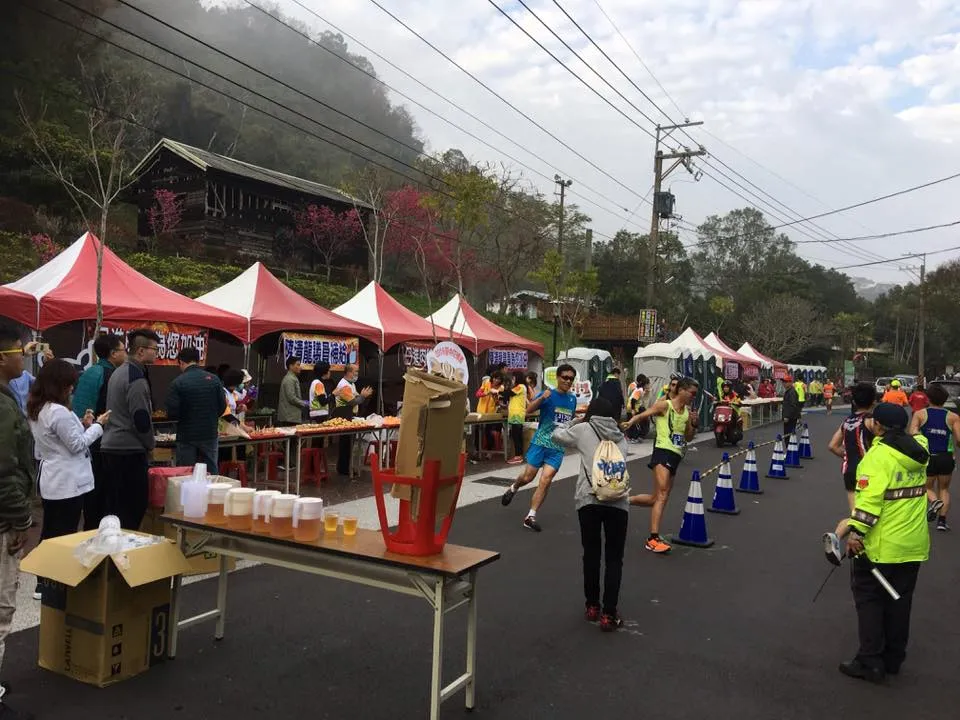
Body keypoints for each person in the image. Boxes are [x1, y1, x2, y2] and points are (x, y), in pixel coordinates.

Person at [834, 403, 930, 683]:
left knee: (870, 601)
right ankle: (893, 659)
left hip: (880, 548)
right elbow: (918, 433)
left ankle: (870, 661)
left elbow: (868, 506)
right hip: (913, 545)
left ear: (877, 427)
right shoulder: (920, 450)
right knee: (899, 602)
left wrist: (855, 535)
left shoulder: (876, 458)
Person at [28, 360, 110, 598]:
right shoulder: (58, 411)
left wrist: (83, 424)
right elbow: (77, 444)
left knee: (51, 530)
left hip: (53, 478)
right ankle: (53, 581)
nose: (72, 388)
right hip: (67, 480)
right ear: (58, 385)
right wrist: (98, 425)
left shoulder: (39, 408)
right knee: (63, 532)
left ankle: (44, 580)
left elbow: (63, 439)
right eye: (69, 384)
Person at [552, 397, 629, 632]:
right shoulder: (621, 436)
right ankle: (609, 614)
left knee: (591, 554)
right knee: (614, 558)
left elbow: (556, 435)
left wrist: (575, 420)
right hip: (618, 502)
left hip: (589, 500)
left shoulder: (584, 429)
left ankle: (592, 606)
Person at [623, 377, 700, 554]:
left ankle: (623, 501)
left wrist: (694, 424)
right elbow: (645, 414)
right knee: (663, 493)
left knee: (656, 498)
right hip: (662, 451)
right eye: (692, 393)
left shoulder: (686, 412)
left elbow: (688, 437)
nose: (693, 397)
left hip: (676, 455)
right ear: (682, 390)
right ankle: (653, 538)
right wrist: (630, 422)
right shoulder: (665, 405)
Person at [0, 327, 35, 716]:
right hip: (3, 520)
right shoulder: (3, 405)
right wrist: (21, 519)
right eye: (17, 351)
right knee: (1, 609)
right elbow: (5, 472)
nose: (23, 357)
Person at [500, 364, 578, 532]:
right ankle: (514, 487)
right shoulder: (547, 394)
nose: (568, 381)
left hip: (557, 447)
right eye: (565, 377)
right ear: (558, 377)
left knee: (546, 479)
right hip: (540, 443)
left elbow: (568, 422)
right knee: (528, 477)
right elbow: (528, 410)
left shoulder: (572, 399)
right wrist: (542, 398)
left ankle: (531, 516)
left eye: (571, 379)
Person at [101, 329, 159, 531]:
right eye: (154, 349)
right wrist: (150, 444)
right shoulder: (136, 378)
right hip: (128, 450)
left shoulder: (118, 372)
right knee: (132, 508)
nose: (156, 353)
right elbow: (141, 419)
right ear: (141, 351)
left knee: (115, 508)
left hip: (112, 447)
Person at [73, 333, 126, 530]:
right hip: (103, 441)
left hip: (87, 438)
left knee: (92, 492)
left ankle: (90, 527)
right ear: (113, 353)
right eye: (123, 350)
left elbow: (79, 408)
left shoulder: (90, 372)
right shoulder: (112, 375)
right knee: (103, 491)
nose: (125, 354)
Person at [165, 347, 225, 474]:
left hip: (186, 435)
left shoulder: (178, 382)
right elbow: (222, 407)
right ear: (198, 361)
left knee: (186, 472)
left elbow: (172, 413)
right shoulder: (214, 380)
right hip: (209, 433)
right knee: (211, 471)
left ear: (181, 362)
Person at [909, 383, 960, 531]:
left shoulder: (920, 414)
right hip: (946, 457)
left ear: (928, 398)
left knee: (927, 487)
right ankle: (942, 522)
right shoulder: (953, 417)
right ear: (944, 400)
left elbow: (912, 433)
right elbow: (959, 439)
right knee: (944, 489)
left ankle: (934, 501)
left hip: (928, 457)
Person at [828, 382, 877, 513]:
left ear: (854, 402)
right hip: (868, 470)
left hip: (849, 470)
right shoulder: (872, 421)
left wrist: (848, 455)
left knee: (855, 513)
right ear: (873, 402)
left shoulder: (846, 422)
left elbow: (832, 446)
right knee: (871, 511)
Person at [333, 363, 373, 477]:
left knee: (348, 444)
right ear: (349, 372)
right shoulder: (344, 385)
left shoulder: (351, 384)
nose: (357, 374)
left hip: (350, 416)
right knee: (345, 444)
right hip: (344, 417)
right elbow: (353, 401)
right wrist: (363, 396)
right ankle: (343, 469)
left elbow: (356, 397)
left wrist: (361, 396)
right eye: (356, 372)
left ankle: (346, 468)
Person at [277, 356, 308, 426]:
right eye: (298, 365)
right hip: (289, 417)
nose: (300, 367)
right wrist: (303, 403)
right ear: (291, 366)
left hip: (291, 416)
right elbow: (291, 398)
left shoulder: (292, 378)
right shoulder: (290, 379)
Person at [507, 371, 527, 464]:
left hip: (517, 415)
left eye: (513, 378)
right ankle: (519, 455)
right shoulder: (520, 387)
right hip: (515, 415)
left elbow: (509, 393)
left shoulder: (521, 387)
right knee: (516, 435)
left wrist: (497, 391)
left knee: (517, 436)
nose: (512, 380)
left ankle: (518, 456)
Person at [781, 374, 802, 440]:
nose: (784, 383)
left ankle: (789, 446)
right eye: (783, 382)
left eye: (786, 382)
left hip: (790, 418)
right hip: (791, 417)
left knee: (788, 436)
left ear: (790, 382)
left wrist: (787, 416)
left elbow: (793, 405)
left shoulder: (792, 392)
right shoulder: (789, 391)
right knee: (788, 436)